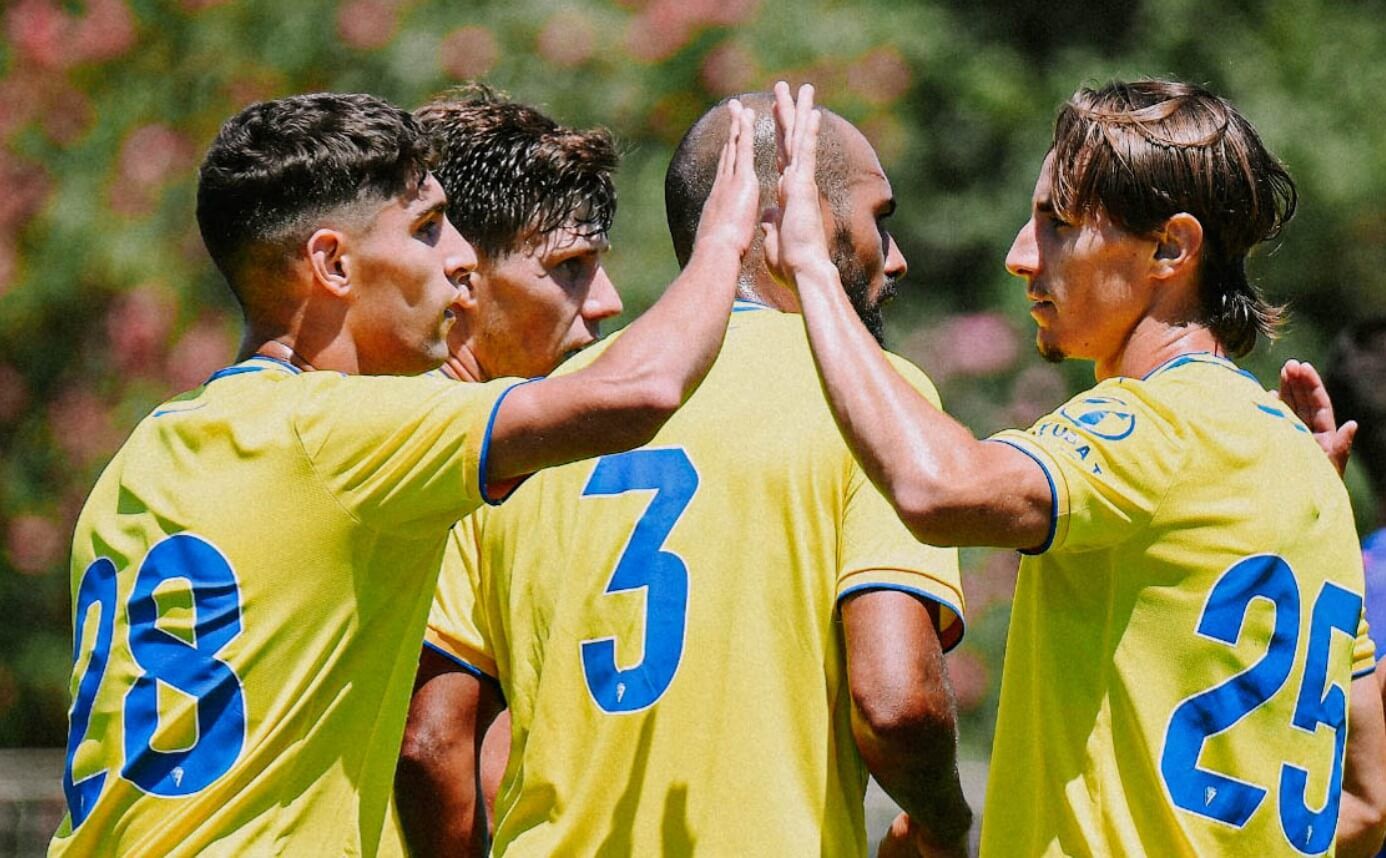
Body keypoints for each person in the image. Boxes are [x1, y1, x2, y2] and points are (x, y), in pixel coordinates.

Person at [49, 90, 761, 856]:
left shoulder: (145, 452)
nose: (460, 259)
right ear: (333, 264)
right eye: (427, 229)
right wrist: (725, 243)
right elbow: (638, 391)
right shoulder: (334, 434)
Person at [765, 80, 1386, 855]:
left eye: (1057, 225)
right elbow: (1366, 803)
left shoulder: (1161, 422)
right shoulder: (1304, 469)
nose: (1020, 257)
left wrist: (814, 270)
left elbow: (935, 486)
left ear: (1171, 248)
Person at [392, 88, 972, 857]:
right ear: (783, 224)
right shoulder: (872, 403)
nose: (894, 257)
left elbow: (432, 741)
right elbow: (897, 702)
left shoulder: (527, 422)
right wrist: (945, 827)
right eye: (878, 219)